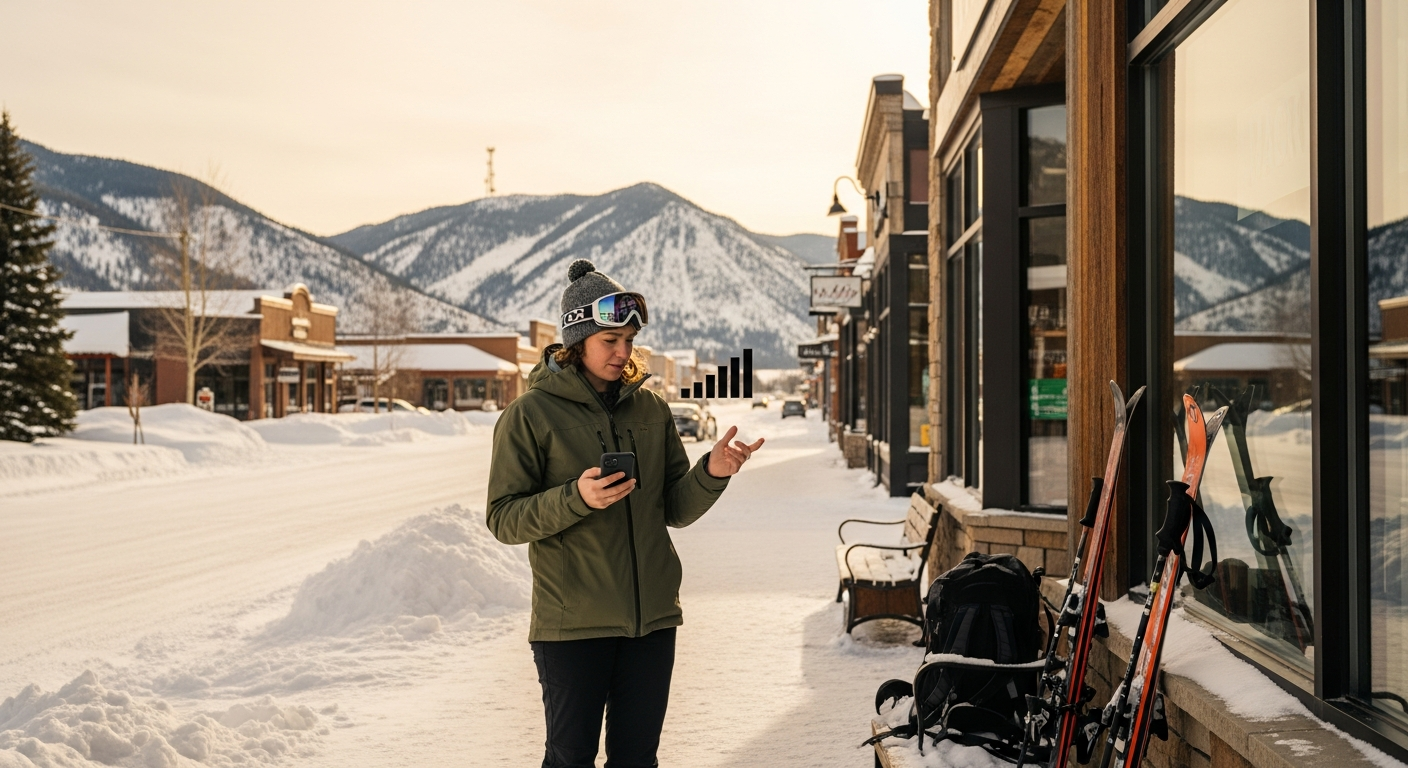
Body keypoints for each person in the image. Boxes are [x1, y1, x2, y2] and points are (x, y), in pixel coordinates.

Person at [486, 258, 764, 768]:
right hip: (573, 627)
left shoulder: (651, 409)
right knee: (569, 758)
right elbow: (503, 518)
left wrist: (714, 472)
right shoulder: (531, 415)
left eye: (629, 340)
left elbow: (675, 507)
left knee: (638, 759)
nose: (623, 352)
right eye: (609, 341)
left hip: (651, 623)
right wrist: (576, 498)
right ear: (576, 343)